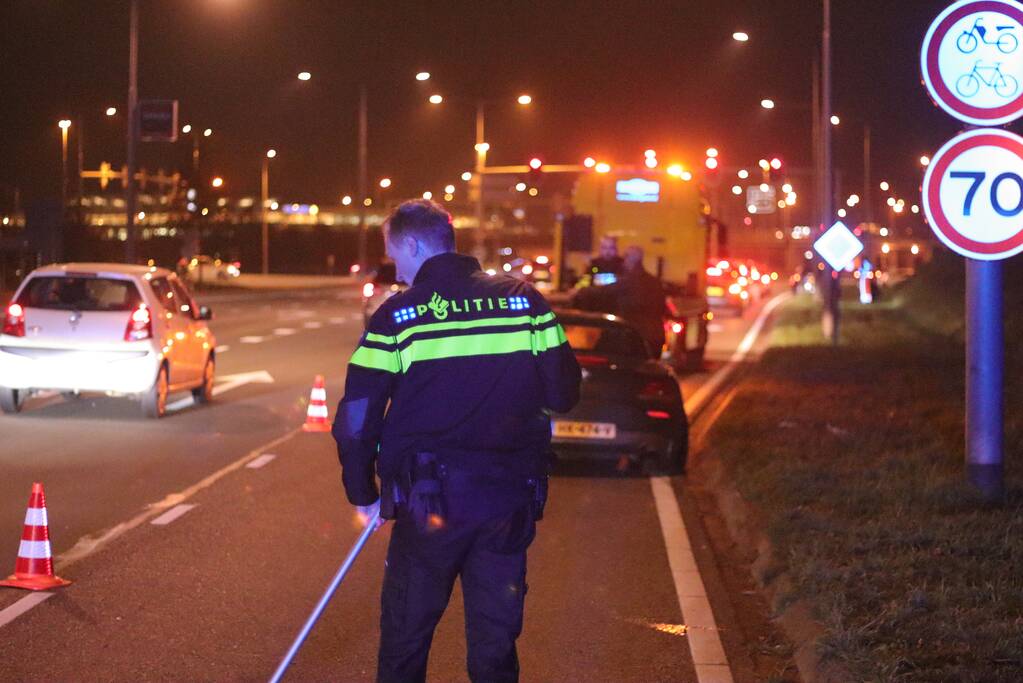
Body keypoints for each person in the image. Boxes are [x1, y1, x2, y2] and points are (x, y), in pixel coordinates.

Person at [333, 199, 581, 683]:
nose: (396, 267)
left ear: (414, 244)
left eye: (395, 254)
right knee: (494, 642)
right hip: (507, 500)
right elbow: (565, 394)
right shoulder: (524, 302)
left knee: (407, 638)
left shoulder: (397, 317)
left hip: (428, 504)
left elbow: (358, 417)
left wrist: (363, 493)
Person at [603, 246, 667, 357]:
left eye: (626, 256)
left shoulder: (631, 281)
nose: (624, 260)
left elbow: (604, 291)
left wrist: (578, 291)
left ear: (633, 260)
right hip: (656, 337)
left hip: (637, 338)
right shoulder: (654, 282)